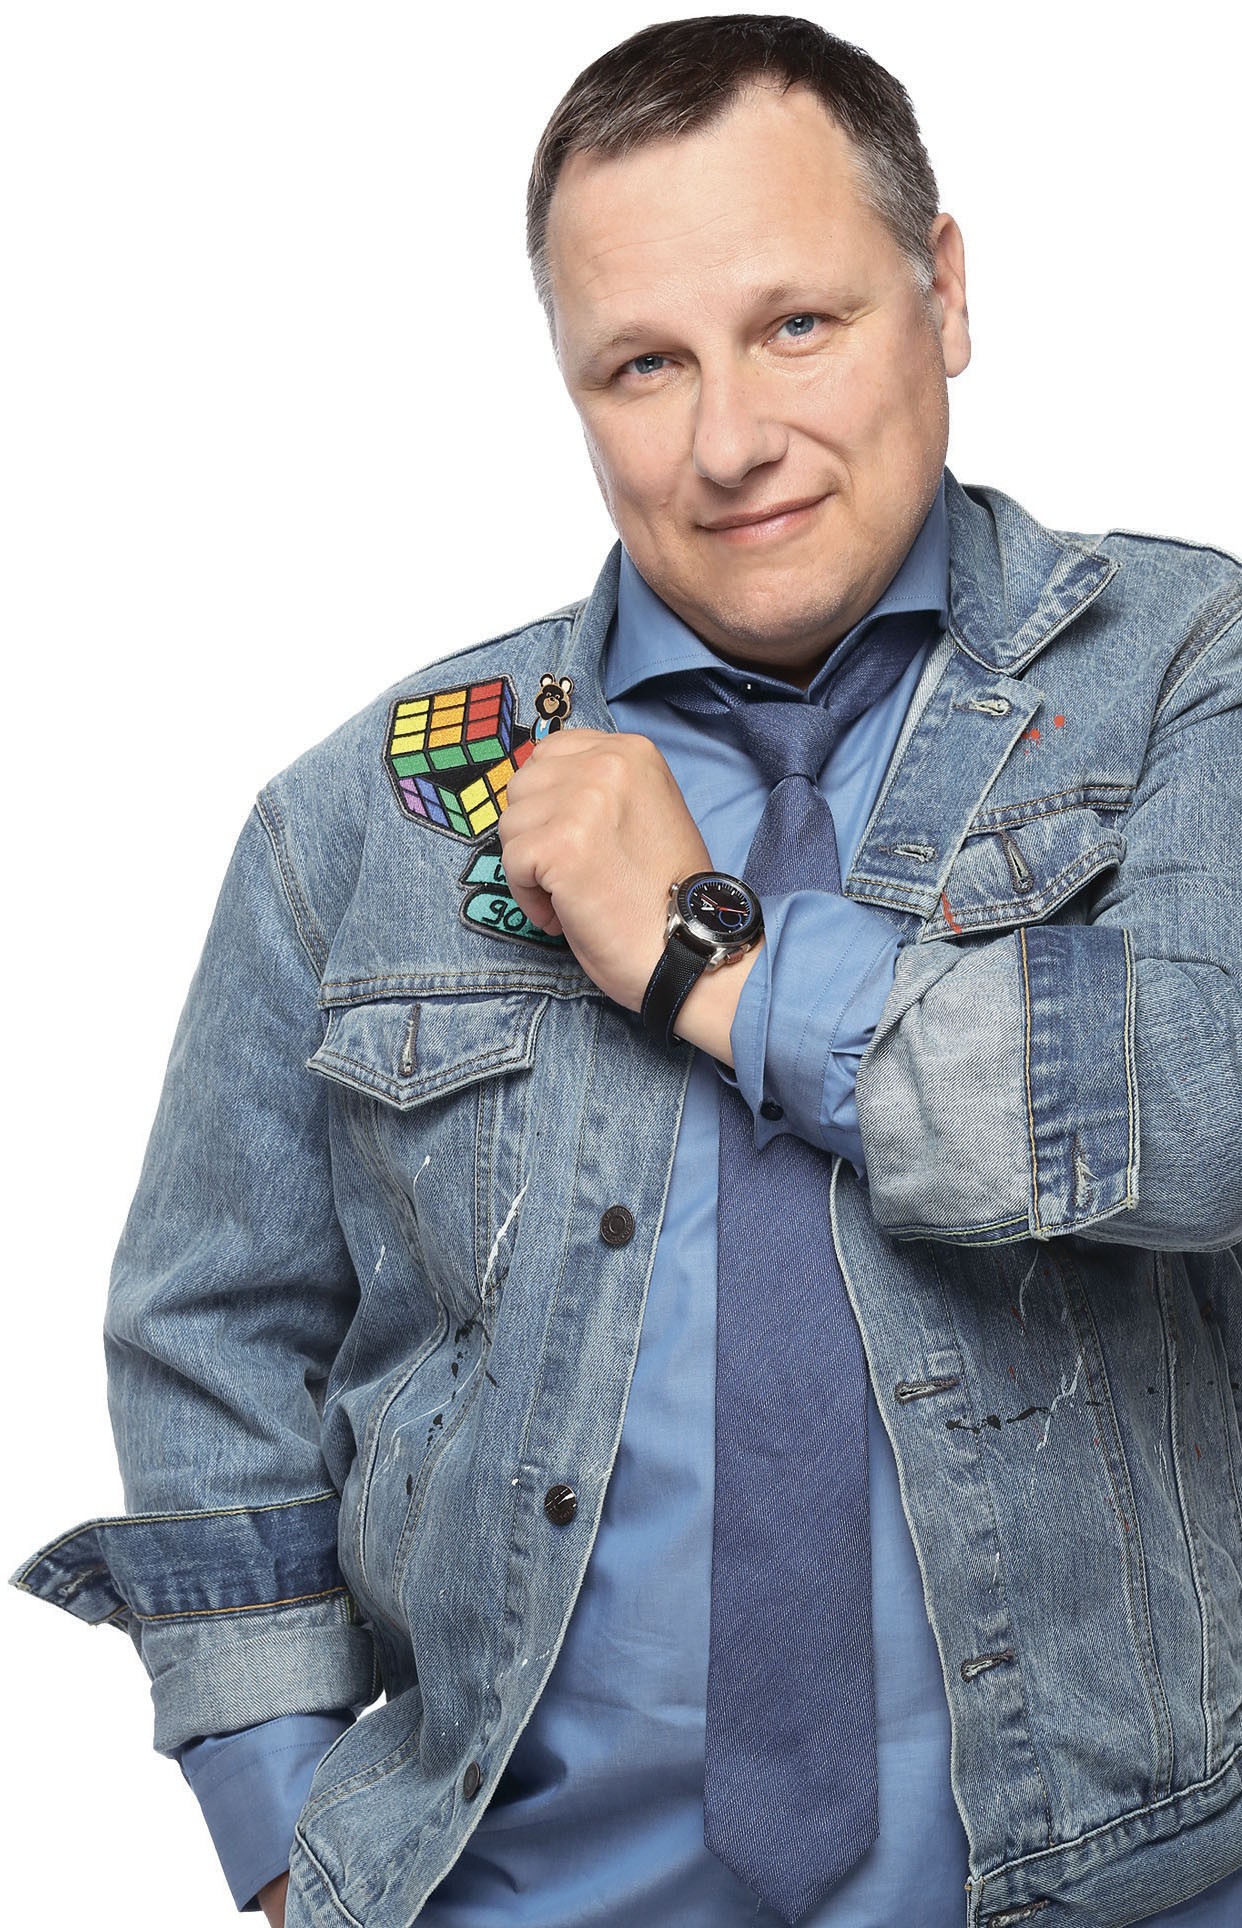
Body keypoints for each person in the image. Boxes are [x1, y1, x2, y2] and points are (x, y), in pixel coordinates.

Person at [13, 14, 1242, 1928]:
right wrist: (281, 1837)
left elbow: (1207, 1099)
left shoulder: (1181, 673)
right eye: (643, 365)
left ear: (943, 291)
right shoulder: (367, 814)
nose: (728, 441)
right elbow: (211, 1325)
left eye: (796, 325)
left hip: (1121, 1883)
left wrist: (704, 954)